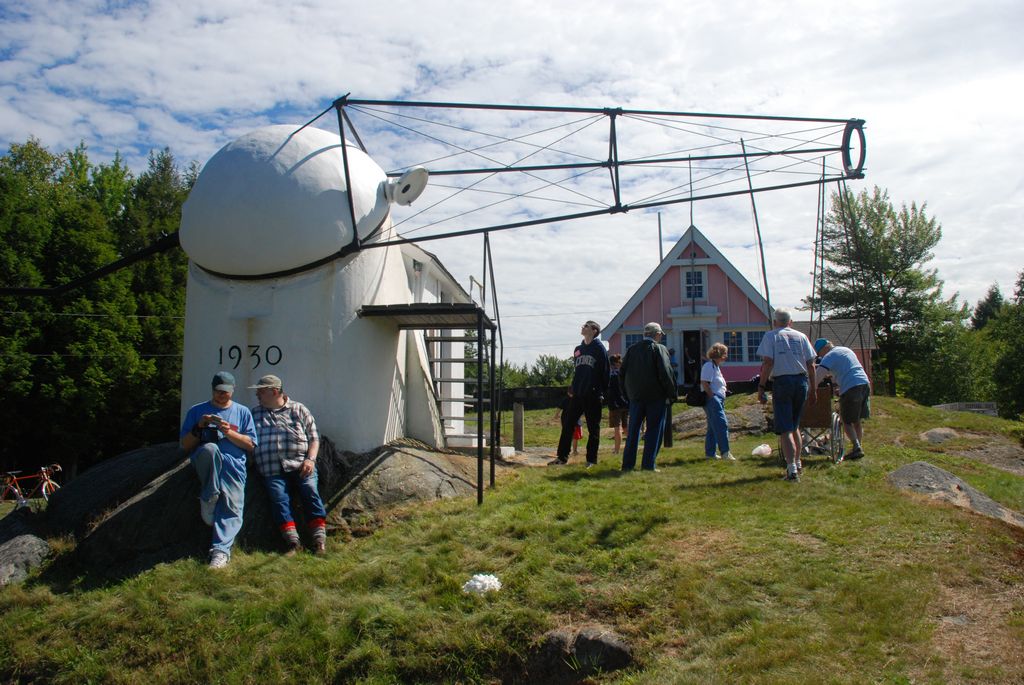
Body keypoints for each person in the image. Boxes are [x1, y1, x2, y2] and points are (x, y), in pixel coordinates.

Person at [179, 371, 258, 569]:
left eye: (225, 391)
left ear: (233, 390)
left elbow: (250, 445)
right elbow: (185, 445)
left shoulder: (242, 412)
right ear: (212, 389)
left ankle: (220, 551)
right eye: (218, 391)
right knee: (210, 449)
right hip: (206, 460)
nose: (222, 395)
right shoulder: (197, 411)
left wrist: (227, 431)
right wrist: (199, 426)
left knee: (233, 505)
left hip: (234, 463)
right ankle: (210, 496)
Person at [249, 374, 329, 555]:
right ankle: (292, 541)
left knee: (310, 490)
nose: (257, 395)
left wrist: (310, 459)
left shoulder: (298, 409)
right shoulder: (254, 414)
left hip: (300, 464)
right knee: (278, 498)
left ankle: (319, 539)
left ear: (274, 391)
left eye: (261, 391)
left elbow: (314, 438)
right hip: (271, 468)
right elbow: (248, 440)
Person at [756, 308, 817, 482]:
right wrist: (813, 389)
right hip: (801, 381)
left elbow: (768, 362)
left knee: (785, 428)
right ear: (791, 322)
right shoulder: (802, 336)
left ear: (775, 322)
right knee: (795, 425)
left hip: (782, 382)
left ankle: (791, 470)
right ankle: (798, 462)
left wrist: (761, 386)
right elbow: (811, 364)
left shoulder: (771, 336)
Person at [550, 320, 610, 468]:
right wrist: (573, 387)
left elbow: (605, 372)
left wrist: (601, 392)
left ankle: (591, 460)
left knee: (593, 428)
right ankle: (562, 458)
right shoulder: (578, 349)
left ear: (594, 331)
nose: (583, 327)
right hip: (577, 394)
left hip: (593, 395)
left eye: (586, 326)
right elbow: (577, 372)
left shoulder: (599, 349)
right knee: (568, 425)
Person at [620, 322, 678, 471]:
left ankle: (627, 464)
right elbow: (666, 373)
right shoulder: (659, 349)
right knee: (654, 430)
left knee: (633, 431)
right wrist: (672, 394)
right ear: (657, 334)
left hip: (635, 397)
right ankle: (648, 465)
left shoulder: (632, 349)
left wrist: (627, 394)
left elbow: (622, 373)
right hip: (656, 397)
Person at [813, 338, 871, 460]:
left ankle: (857, 447)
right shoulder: (846, 350)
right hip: (864, 383)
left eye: (819, 353)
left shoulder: (829, 356)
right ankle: (858, 446)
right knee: (857, 420)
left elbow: (818, 376)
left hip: (851, 386)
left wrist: (810, 389)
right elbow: (847, 370)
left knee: (846, 420)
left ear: (823, 349)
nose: (820, 356)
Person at [701, 342, 735, 461]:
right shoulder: (709, 366)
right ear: (719, 354)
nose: (726, 356)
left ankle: (710, 453)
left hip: (718, 398)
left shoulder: (716, 367)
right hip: (713, 399)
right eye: (725, 353)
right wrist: (713, 398)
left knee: (712, 427)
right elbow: (705, 383)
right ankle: (725, 452)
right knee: (721, 425)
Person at [606, 354, 629, 454]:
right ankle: (632, 447)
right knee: (625, 427)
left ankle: (616, 451)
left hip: (615, 404)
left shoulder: (609, 374)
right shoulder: (623, 373)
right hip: (626, 403)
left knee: (617, 428)